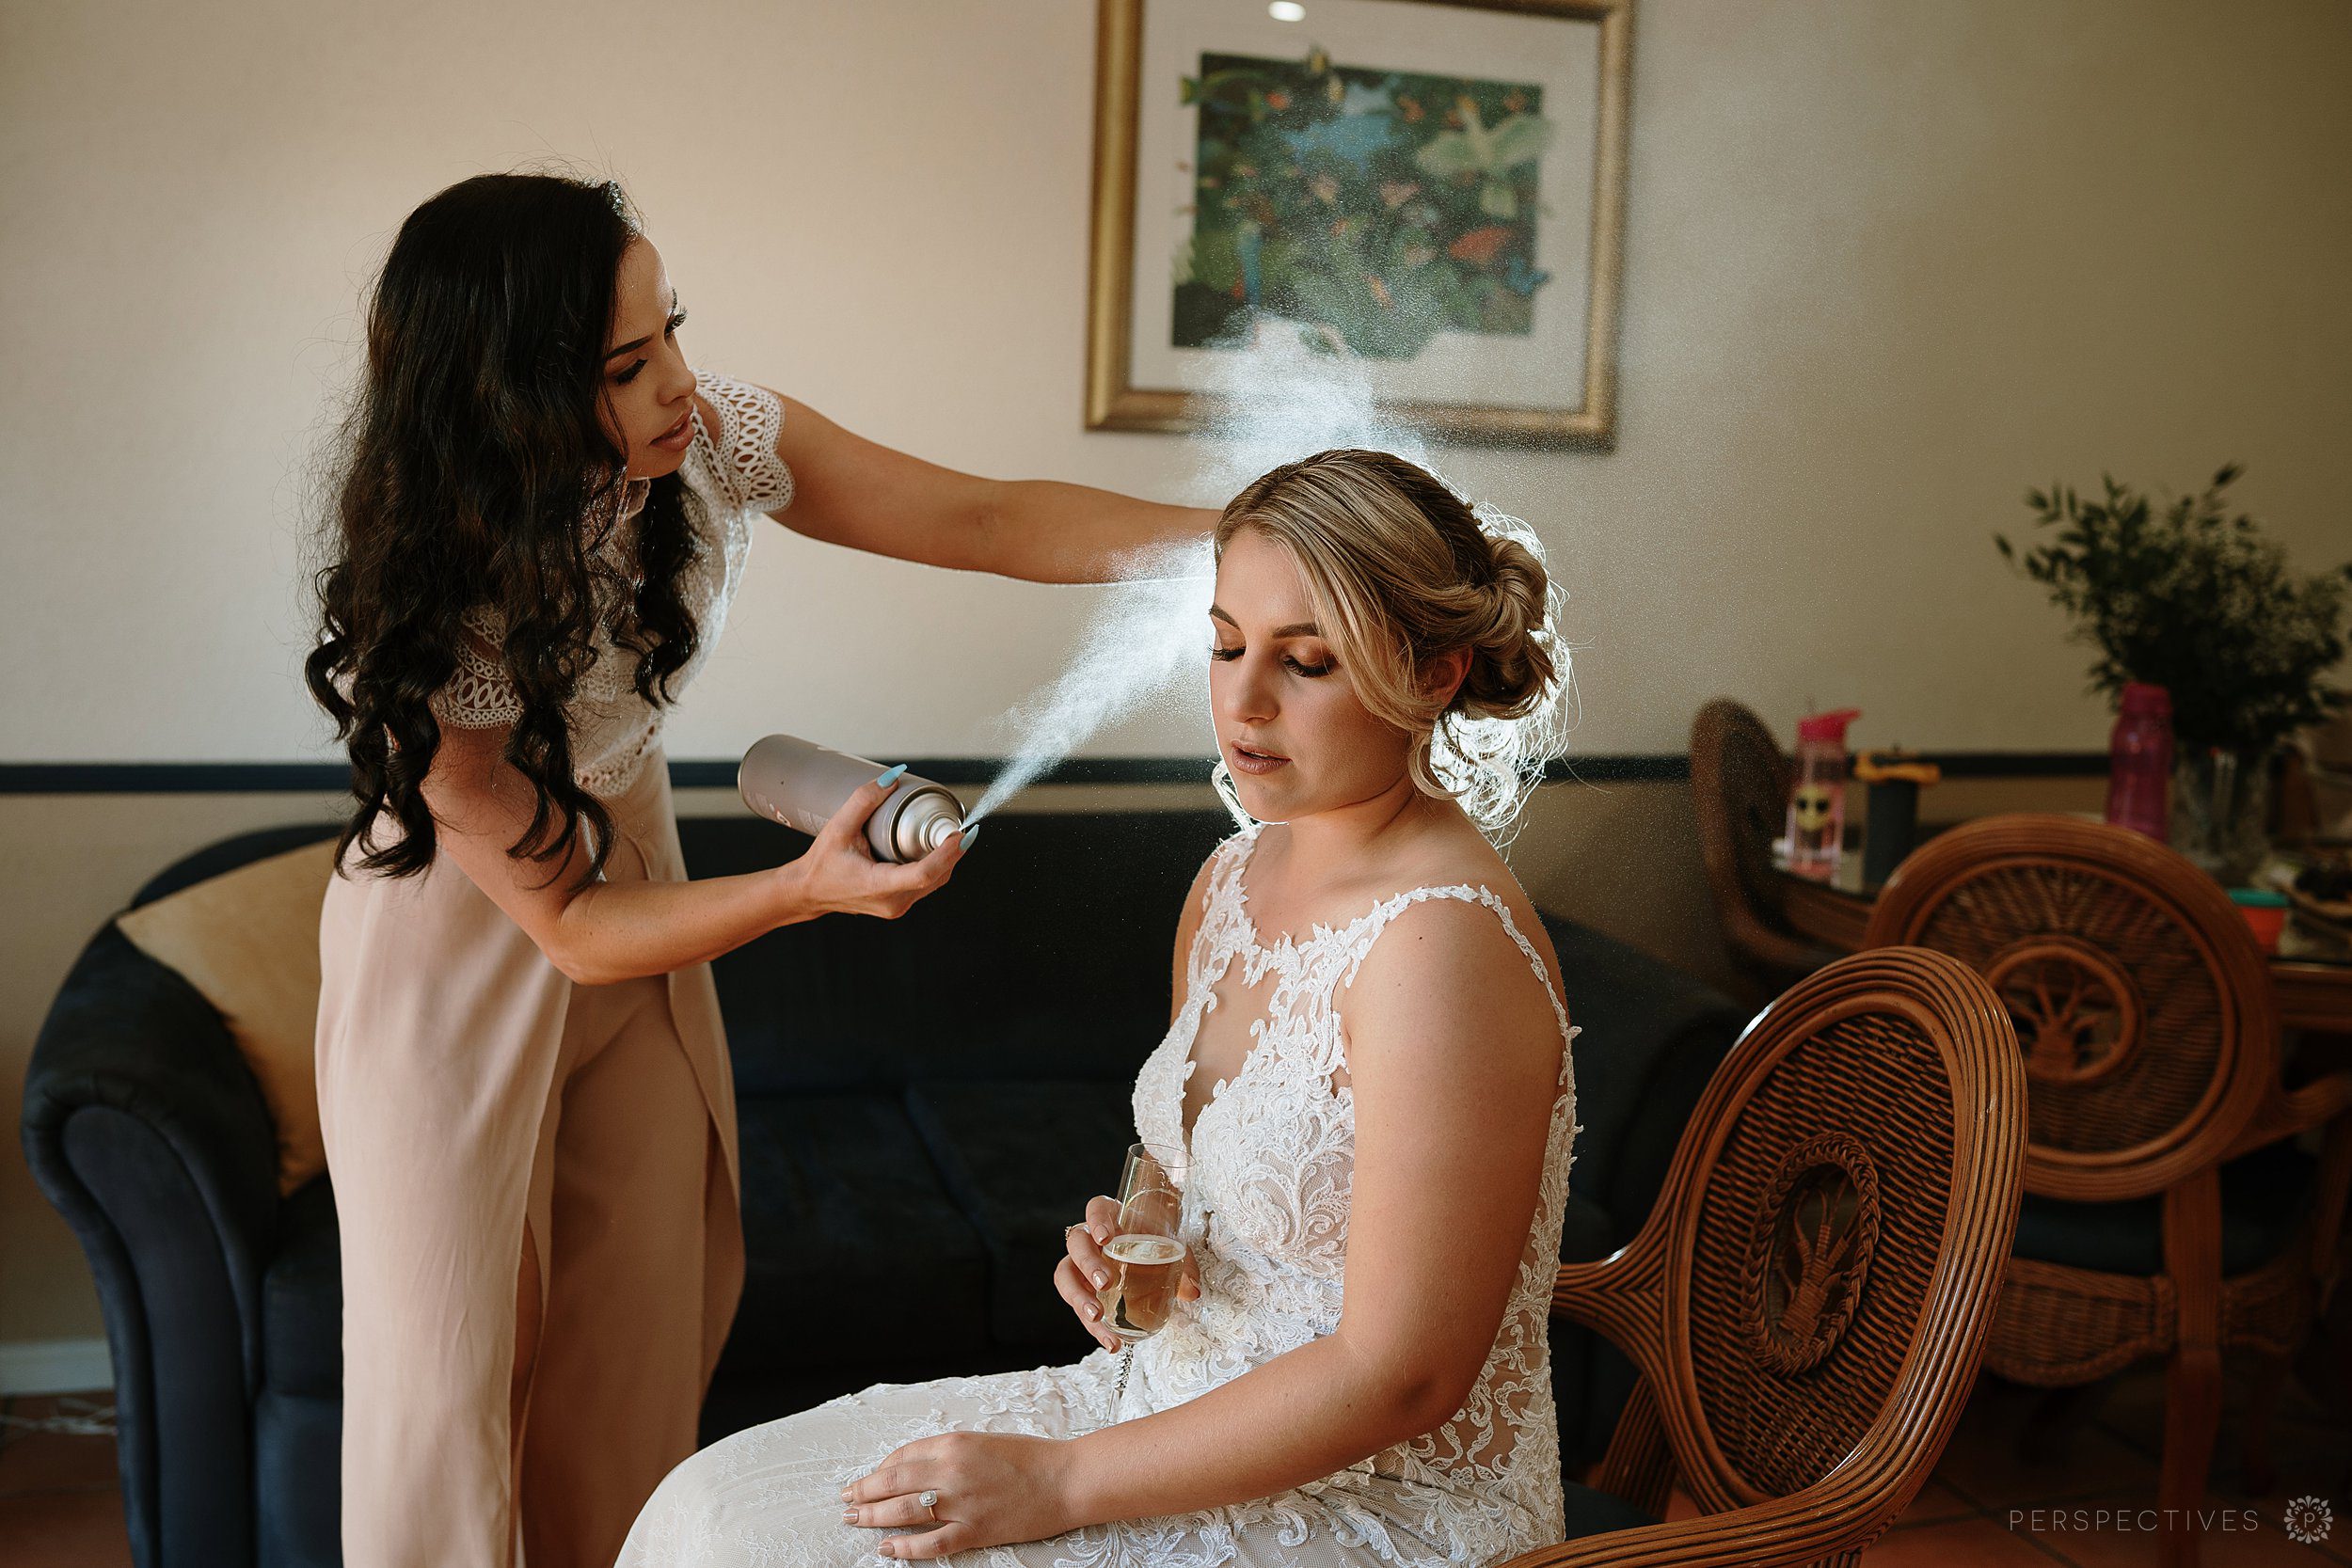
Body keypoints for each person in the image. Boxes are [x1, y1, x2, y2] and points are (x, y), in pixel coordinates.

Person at [304, 171, 1212, 1568]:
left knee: (638, 1342)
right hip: (462, 936)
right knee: (444, 1385)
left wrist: (1239, 542)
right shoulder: (419, 616)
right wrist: (806, 888)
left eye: (670, 329)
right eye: (626, 364)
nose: (679, 381)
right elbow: (572, 928)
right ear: (504, 398)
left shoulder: (715, 444)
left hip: (643, 878)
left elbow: (979, 521)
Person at [619, 448, 1581, 1568]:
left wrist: (1056, 1480)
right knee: (716, 1511)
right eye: (1224, 645)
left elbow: (1402, 1373)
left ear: (1433, 670)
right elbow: (1187, 1176)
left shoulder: (1439, 944)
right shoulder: (1231, 878)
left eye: (1305, 661)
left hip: (1373, 1502)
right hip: (1160, 1397)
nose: (1244, 699)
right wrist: (1136, 1243)